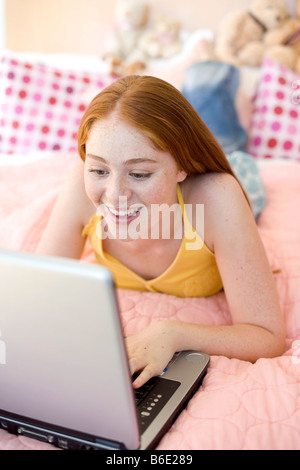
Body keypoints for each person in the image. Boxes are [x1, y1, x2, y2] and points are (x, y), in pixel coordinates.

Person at [37, 75, 285, 389]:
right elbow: (38, 295)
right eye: (98, 169)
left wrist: (173, 332)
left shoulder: (218, 200)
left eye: (139, 173)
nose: (114, 195)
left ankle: (211, 73)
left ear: (182, 166)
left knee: (235, 151)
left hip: (231, 185)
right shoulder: (79, 186)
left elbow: (267, 336)